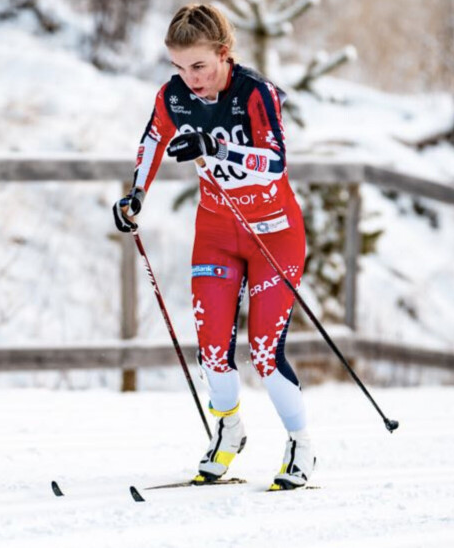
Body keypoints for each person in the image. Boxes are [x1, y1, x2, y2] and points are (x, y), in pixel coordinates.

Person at [112, 3, 315, 490]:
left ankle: (301, 446)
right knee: (212, 349)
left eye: (198, 65)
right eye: (179, 67)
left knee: (265, 352)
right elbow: (152, 139)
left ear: (224, 55)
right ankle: (229, 431)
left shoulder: (256, 94)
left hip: (272, 233)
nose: (190, 78)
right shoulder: (176, 97)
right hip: (218, 235)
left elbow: (274, 162)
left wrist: (215, 146)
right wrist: (135, 195)